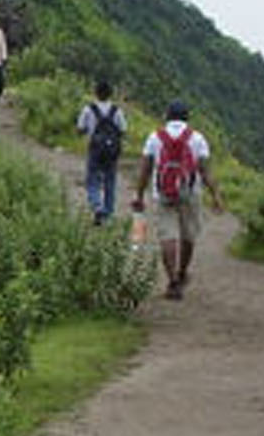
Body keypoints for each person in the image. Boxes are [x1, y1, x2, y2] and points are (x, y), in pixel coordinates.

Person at [129, 100, 226, 300]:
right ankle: (182, 273)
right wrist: (216, 195)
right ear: (187, 117)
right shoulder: (197, 138)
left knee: (168, 237)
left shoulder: (155, 137)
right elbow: (205, 170)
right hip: (190, 193)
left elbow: (145, 170)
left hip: (163, 193)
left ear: (167, 116)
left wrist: (138, 195)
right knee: (188, 236)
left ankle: (172, 281)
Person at [76, 81, 126, 225]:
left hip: (95, 149)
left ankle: (97, 206)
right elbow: (123, 130)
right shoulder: (117, 110)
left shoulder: (88, 109)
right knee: (110, 181)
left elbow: (80, 128)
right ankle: (108, 213)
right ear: (110, 94)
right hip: (111, 152)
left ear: (96, 93)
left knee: (92, 179)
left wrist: (87, 131)